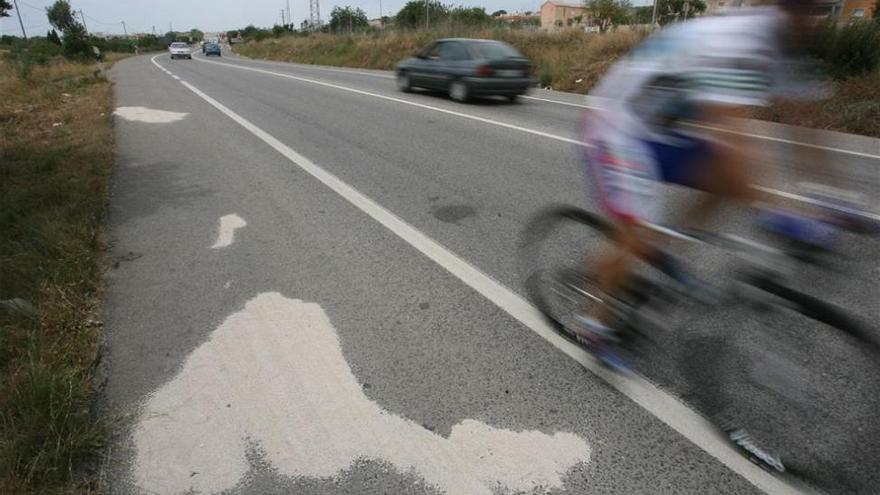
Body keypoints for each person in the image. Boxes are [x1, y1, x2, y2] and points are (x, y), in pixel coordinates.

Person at [575, 0, 832, 364]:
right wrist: (774, 209)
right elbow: (735, 134)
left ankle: (662, 248)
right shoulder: (735, 39)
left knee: (725, 176)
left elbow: (808, 126)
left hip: (656, 131)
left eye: (822, 11)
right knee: (637, 229)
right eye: (811, 11)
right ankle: (594, 325)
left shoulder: (782, 44)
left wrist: (835, 199)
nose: (817, 20)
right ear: (786, 10)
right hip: (614, 127)